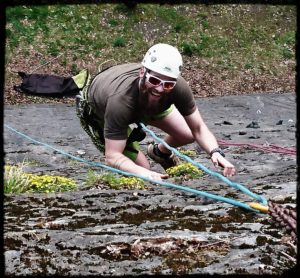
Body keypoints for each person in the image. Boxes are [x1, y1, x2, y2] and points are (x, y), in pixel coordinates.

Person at [76, 43, 236, 181]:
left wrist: (216, 152)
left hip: (146, 104)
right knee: (142, 167)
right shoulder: (120, 101)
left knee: (187, 134)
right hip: (101, 108)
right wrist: (146, 173)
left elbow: (198, 128)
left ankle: (160, 152)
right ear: (142, 73)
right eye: (154, 80)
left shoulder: (176, 86)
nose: (159, 89)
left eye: (167, 84)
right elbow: (112, 156)